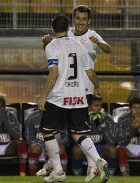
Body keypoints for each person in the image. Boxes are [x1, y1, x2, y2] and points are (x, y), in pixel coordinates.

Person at [38, 14, 109, 183]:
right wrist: (98, 87)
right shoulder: (79, 45)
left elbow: (54, 73)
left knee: (47, 131)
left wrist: (43, 97)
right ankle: (99, 160)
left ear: (52, 27)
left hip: (59, 98)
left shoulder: (51, 46)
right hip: (79, 97)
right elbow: (90, 72)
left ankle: (58, 172)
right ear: (68, 26)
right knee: (77, 134)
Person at [42, 5, 112, 103]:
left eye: (84, 19)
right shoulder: (66, 32)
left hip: (85, 88)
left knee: (80, 118)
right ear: (73, 19)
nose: (80, 22)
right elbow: (52, 50)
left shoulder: (92, 36)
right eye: (78, 18)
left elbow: (108, 49)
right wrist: (46, 44)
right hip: (66, 88)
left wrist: (99, 43)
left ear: (89, 21)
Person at [71, 95, 117, 181]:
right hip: (86, 148)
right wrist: (89, 123)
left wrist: (102, 124)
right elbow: (77, 140)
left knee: (112, 149)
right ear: (89, 107)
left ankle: (110, 175)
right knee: (76, 150)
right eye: (96, 105)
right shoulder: (82, 118)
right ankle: (77, 176)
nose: (99, 108)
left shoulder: (107, 118)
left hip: (101, 147)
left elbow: (111, 141)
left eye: (100, 105)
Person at [24, 108, 68, 176]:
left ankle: (62, 175)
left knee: (61, 147)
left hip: (55, 146)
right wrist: (45, 146)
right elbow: (29, 138)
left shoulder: (60, 116)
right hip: (40, 146)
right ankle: (32, 176)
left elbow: (66, 137)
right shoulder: (31, 117)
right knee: (34, 147)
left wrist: (53, 146)